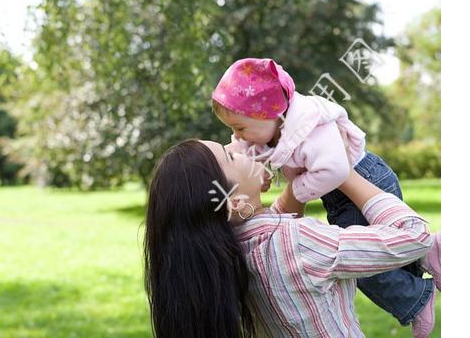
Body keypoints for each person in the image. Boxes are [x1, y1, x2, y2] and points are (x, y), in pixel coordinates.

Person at [211, 58, 441, 336]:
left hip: (362, 178)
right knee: (366, 255)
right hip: (336, 191)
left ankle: (417, 297)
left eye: (240, 128)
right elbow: (244, 151)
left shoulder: (311, 128)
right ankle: (430, 253)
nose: (237, 137)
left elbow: (336, 169)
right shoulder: (269, 127)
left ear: (271, 115)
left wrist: (295, 189)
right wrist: (252, 166)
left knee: (365, 268)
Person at [143, 139, 440, 337]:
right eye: (231, 155)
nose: (241, 145)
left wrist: (299, 181)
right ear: (233, 202)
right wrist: (343, 172)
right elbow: (414, 236)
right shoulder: (299, 243)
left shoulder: (229, 253)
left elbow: (274, 222)